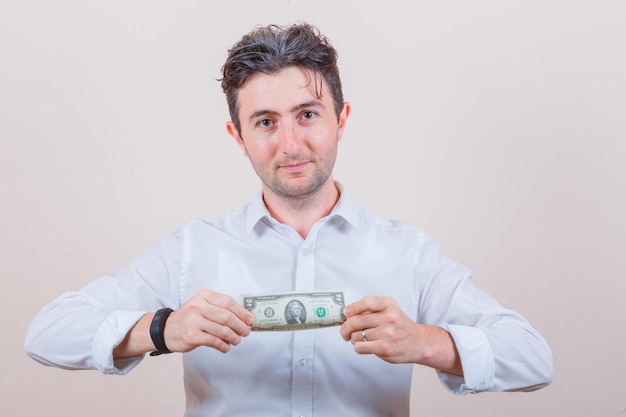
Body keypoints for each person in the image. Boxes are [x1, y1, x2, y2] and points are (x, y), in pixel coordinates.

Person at [24, 22, 553, 417]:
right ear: (238, 137)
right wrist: (161, 328)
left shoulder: (409, 254)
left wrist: (424, 343)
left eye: (307, 114)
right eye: (265, 122)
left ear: (341, 120)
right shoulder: (193, 251)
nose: (291, 144)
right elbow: (47, 332)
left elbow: (533, 358)